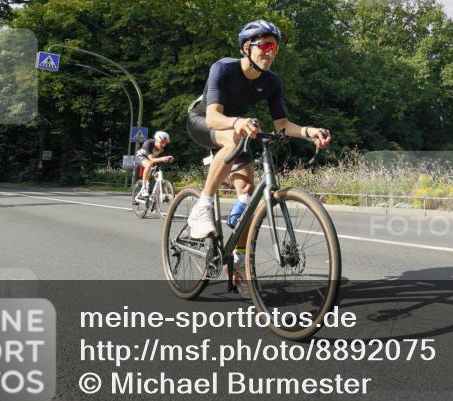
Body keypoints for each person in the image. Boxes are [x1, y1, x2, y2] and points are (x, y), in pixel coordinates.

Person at [185, 20, 332, 279]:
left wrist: (310, 132)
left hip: (237, 131)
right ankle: (203, 206)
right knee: (232, 137)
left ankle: (238, 263)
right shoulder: (223, 68)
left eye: (274, 47)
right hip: (203, 122)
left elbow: (283, 125)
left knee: (248, 196)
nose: (270, 52)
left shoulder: (272, 82)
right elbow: (212, 117)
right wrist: (237, 122)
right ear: (246, 47)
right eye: (264, 45)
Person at [135, 131, 174, 199]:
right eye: (162, 142)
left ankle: (153, 194)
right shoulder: (148, 143)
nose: (163, 145)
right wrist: (163, 158)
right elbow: (152, 160)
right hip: (141, 156)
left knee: (157, 174)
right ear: (156, 140)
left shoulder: (166, 146)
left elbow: (168, 157)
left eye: (165, 143)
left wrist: (170, 158)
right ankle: (144, 187)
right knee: (149, 164)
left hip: (155, 159)